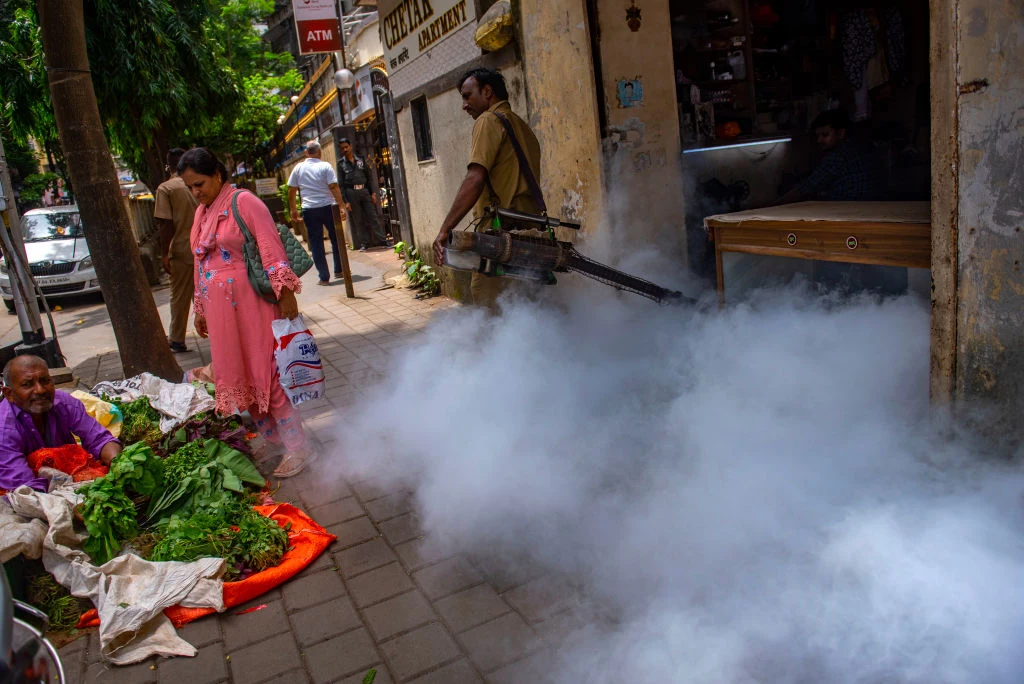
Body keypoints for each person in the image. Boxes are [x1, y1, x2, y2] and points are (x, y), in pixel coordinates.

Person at [179, 148, 312, 478]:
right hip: (221, 312)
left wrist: (285, 295)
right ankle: (272, 437)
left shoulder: (243, 202)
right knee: (241, 376)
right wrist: (200, 308)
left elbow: (270, 247)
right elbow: (201, 263)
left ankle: (298, 448)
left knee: (268, 373)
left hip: (253, 305)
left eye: (200, 183)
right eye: (190, 187)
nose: (196, 192)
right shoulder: (202, 214)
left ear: (217, 175)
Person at [432, 67, 543, 307]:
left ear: (487, 91)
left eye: (467, 95)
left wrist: (445, 230)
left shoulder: (488, 120)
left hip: (500, 241)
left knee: (490, 319)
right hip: (531, 239)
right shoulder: (522, 126)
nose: (464, 105)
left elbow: (475, 179)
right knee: (526, 314)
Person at [0, 355, 122, 492]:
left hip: (65, 479)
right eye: (27, 385)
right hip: (20, 491)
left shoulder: (64, 403)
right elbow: (25, 489)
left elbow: (99, 439)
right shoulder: (4, 429)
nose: (40, 390)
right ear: (9, 394)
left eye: (45, 381)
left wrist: (118, 464)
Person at [777, 109, 884, 204]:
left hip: (850, 207)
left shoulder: (840, 155)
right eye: (817, 136)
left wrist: (777, 203)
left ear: (841, 133)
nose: (819, 140)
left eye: (825, 135)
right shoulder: (860, 146)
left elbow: (808, 187)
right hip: (869, 205)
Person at [154, 147, 199, 353]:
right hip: (205, 247)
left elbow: (165, 224)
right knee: (207, 293)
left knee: (180, 295)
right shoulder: (200, 183)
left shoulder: (166, 188)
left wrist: (165, 253)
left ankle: (177, 338)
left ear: (169, 166)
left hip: (181, 248)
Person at [287, 141, 347, 286]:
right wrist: (341, 205)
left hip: (309, 210)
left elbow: (291, 190)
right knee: (336, 238)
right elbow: (333, 186)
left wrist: (293, 209)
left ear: (306, 153)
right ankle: (339, 270)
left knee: (316, 243)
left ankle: (324, 277)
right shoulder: (325, 166)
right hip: (328, 207)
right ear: (319, 152)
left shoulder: (298, 168)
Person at [338, 138, 387, 249]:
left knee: (372, 216)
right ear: (341, 150)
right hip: (351, 193)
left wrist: (373, 193)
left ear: (350, 146)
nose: (345, 149)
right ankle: (365, 243)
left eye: (346, 147)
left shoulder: (360, 159)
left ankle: (382, 240)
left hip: (364, 191)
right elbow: (341, 184)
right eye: (342, 148)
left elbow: (369, 177)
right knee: (358, 219)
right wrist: (346, 201)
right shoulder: (341, 164)